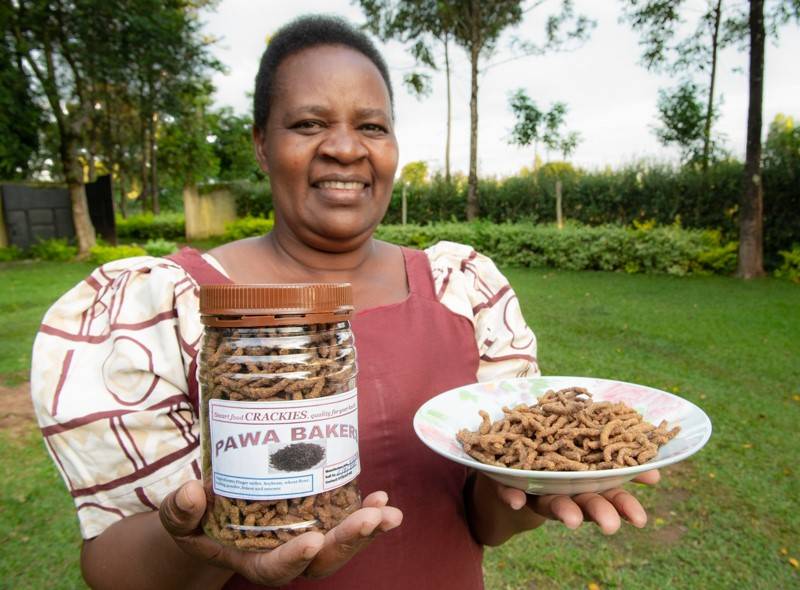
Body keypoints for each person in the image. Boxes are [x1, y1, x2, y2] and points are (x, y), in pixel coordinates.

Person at [31, 15, 659, 590]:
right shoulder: (164, 306)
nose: (345, 148)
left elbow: (483, 520)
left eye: (371, 126)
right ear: (260, 143)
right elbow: (113, 567)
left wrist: (533, 488)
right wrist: (202, 545)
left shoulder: (461, 287)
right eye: (309, 123)